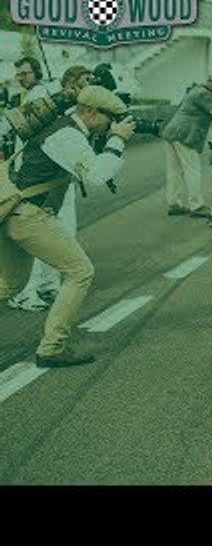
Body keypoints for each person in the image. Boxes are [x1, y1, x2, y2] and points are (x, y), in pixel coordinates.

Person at [0, 86, 135, 367]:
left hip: (13, 211)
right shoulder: (68, 136)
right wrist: (117, 140)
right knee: (80, 271)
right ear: (90, 112)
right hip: (28, 215)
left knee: (11, 284)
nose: (111, 126)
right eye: (109, 119)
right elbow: (97, 175)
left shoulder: (58, 127)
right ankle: (51, 348)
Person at [6, 65, 91, 312]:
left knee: (64, 233)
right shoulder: (44, 97)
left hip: (61, 177)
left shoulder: (72, 101)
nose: (89, 84)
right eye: (84, 80)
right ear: (72, 82)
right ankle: (25, 292)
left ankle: (48, 284)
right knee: (37, 236)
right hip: (38, 179)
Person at [162, 74, 212, 221]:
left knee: (174, 171)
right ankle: (197, 206)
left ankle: (174, 203)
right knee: (192, 170)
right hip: (185, 136)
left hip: (172, 132)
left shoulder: (196, 90)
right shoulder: (203, 94)